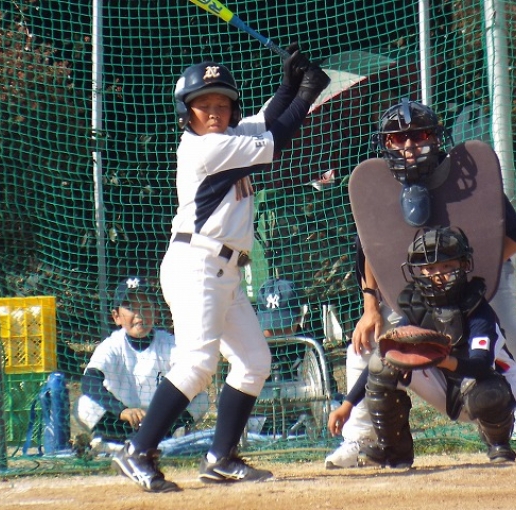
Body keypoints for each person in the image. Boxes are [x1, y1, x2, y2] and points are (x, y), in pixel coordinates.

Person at [112, 50, 331, 492]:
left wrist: (289, 86)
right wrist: (307, 94)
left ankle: (220, 457)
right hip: (197, 264)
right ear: (186, 112)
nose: (214, 112)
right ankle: (138, 449)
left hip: (223, 270)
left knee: (254, 362)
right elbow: (275, 140)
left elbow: (266, 121)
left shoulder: (229, 135)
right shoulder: (205, 147)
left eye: (222, 104)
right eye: (203, 105)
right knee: (197, 363)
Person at [326, 99, 516, 468]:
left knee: (512, 336)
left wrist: (466, 279)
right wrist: (371, 308)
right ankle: (360, 439)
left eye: (419, 135)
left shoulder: (469, 182)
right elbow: (370, 252)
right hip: (418, 285)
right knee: (366, 345)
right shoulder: (378, 188)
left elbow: (514, 236)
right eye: (397, 138)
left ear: (435, 138)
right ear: (384, 144)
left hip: (480, 277)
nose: (408, 145)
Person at [328, 226, 516, 467]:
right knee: (384, 361)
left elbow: (481, 366)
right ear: (418, 271)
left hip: (493, 385)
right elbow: (386, 355)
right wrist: (347, 405)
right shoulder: (416, 307)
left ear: (464, 265)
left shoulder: (477, 307)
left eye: (447, 266)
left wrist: (442, 360)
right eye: (430, 268)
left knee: (487, 392)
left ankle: (499, 444)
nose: (438, 275)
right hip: (447, 387)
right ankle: (394, 449)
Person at [75, 276, 209, 446]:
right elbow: (89, 382)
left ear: (155, 312)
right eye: (130, 307)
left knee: (202, 399)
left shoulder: (169, 343)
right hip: (122, 419)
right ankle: (113, 440)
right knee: (84, 404)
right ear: (116, 316)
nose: (139, 314)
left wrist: (164, 412)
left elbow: (192, 377)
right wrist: (122, 410)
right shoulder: (112, 345)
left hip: (161, 419)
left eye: (145, 307)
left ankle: (170, 436)